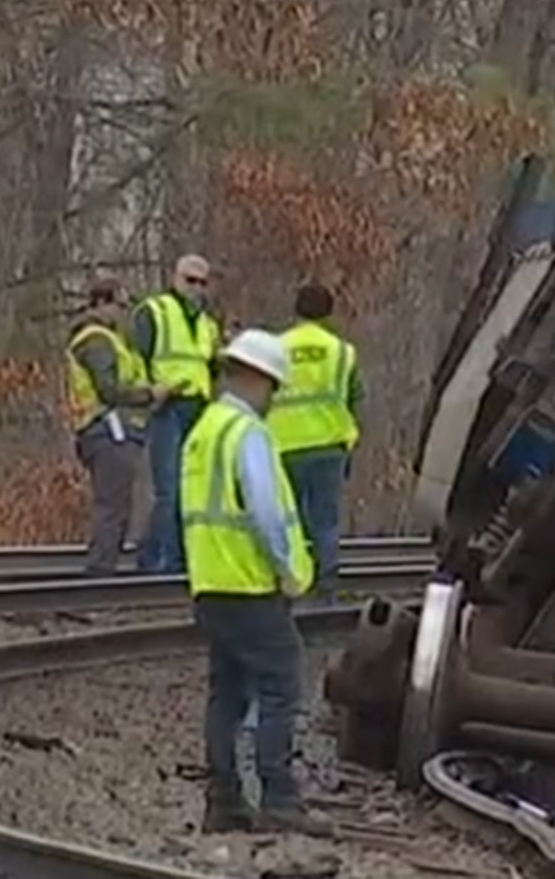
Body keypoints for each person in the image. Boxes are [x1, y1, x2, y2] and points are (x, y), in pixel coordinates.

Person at [182, 328, 329, 837]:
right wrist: (289, 571)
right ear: (262, 380)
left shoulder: (203, 430)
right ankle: (280, 799)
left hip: (210, 584)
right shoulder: (248, 434)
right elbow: (266, 513)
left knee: (226, 694)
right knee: (281, 686)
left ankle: (223, 803)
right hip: (250, 585)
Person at [265, 284, 362, 600]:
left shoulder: (276, 348)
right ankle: (327, 586)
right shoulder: (341, 352)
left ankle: (291, 581)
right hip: (329, 444)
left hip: (284, 445)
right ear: (329, 313)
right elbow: (356, 397)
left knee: (286, 519)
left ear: (296, 311)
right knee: (326, 520)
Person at [66, 278, 168, 575]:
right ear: (101, 303)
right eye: (119, 304)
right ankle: (100, 575)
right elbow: (108, 389)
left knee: (117, 505)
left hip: (112, 430)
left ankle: (103, 570)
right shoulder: (96, 340)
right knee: (112, 507)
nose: (123, 312)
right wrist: (149, 394)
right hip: (107, 430)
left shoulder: (110, 339)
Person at [132, 254, 222, 575]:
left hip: (198, 409)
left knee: (190, 489)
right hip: (166, 406)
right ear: (174, 278)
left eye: (202, 282)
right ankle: (162, 562)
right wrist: (147, 394)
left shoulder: (208, 325)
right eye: (190, 280)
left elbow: (210, 367)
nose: (196, 288)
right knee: (169, 488)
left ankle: (169, 558)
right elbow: (135, 358)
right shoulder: (154, 312)